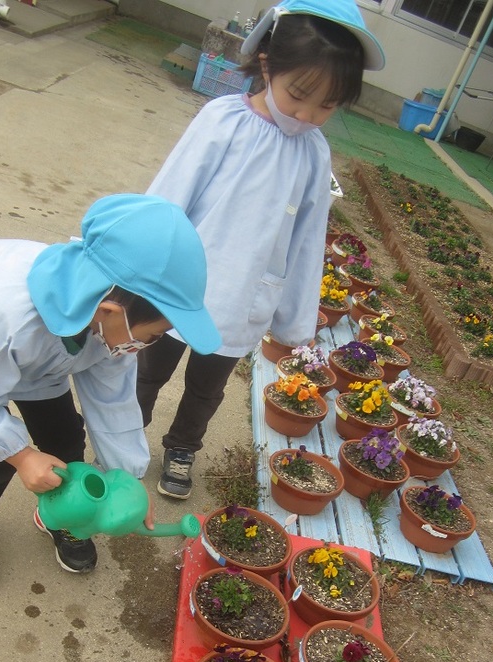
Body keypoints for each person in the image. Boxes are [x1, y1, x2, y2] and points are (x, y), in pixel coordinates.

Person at [0, 193, 221, 587]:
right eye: (153, 335)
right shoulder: (5, 314)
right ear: (110, 313)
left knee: (66, 438)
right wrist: (20, 456)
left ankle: (64, 511)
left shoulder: (108, 323)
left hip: (43, 359)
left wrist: (126, 481)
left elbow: (113, 402)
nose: (148, 345)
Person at [137, 0, 385, 499]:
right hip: (178, 287)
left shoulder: (314, 153)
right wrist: (133, 268)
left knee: (207, 387)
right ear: (268, 63)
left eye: (327, 106)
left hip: (241, 299)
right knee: (147, 372)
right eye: (299, 95)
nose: (308, 114)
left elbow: (308, 238)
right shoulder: (223, 121)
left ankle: (183, 446)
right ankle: (124, 436)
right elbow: (168, 197)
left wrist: (295, 321)